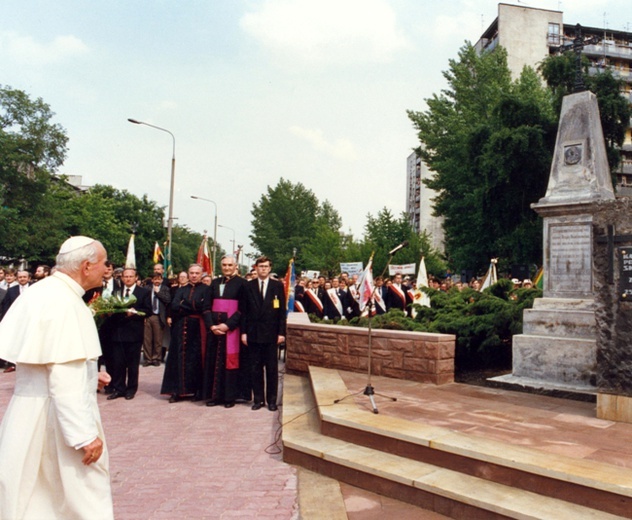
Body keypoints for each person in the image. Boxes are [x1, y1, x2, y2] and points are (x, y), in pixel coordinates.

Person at [0, 236, 114, 520]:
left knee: (31, 499)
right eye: (103, 263)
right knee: (80, 502)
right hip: (59, 421)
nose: (106, 269)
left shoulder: (42, 292)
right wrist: (84, 436)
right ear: (87, 266)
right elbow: (64, 378)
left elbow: (48, 360)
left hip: (26, 416)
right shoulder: (66, 303)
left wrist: (90, 375)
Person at [241, 256, 286, 412]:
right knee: (255, 368)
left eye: (266, 266)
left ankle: (271, 400)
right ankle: (258, 400)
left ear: (270, 268)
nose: (263, 269)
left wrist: (281, 332)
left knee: (272, 369)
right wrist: (244, 333)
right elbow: (244, 312)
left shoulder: (277, 286)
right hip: (253, 333)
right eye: (261, 266)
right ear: (256, 268)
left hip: (271, 334)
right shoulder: (248, 286)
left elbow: (281, 312)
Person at [161, 264, 211, 403]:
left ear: (201, 274)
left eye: (197, 273)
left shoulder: (207, 289)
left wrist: (186, 304)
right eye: (191, 273)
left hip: (198, 328)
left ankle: (197, 390)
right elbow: (175, 306)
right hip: (180, 327)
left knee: (196, 359)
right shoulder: (181, 289)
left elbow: (203, 307)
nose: (194, 275)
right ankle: (177, 391)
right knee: (178, 358)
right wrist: (193, 305)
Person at [203, 255, 248, 408]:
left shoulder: (242, 284)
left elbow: (243, 309)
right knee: (214, 362)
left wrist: (227, 325)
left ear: (236, 266)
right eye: (224, 265)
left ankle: (229, 398)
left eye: (230, 265)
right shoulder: (214, 283)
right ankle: (215, 396)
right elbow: (206, 307)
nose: (227, 268)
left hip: (231, 331)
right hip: (215, 331)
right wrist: (212, 326)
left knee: (230, 363)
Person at [106, 268, 152, 400]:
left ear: (136, 277)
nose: (128, 279)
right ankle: (118, 388)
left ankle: (131, 389)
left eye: (131, 276)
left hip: (134, 332)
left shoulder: (144, 292)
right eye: (125, 276)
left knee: (132, 364)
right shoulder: (116, 292)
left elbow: (148, 310)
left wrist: (135, 312)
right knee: (118, 362)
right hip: (118, 332)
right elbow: (112, 308)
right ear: (121, 278)